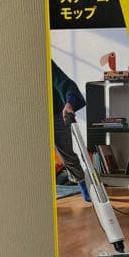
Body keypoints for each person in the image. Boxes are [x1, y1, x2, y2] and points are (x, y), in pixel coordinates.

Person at [51, 60, 90, 201]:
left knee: (67, 153)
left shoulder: (45, 62)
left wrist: (69, 103)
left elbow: (65, 84)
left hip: (57, 113)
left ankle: (84, 187)